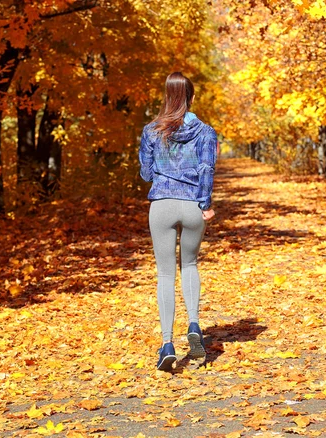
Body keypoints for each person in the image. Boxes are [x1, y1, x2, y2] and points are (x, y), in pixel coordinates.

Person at [139, 72, 218, 371]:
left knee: (164, 274)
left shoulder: (151, 131)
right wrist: (205, 205)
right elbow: (206, 169)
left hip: (161, 205)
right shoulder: (206, 132)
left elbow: (146, 174)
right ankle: (195, 325)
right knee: (191, 265)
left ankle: (167, 343)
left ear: (166, 96)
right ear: (191, 97)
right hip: (191, 206)